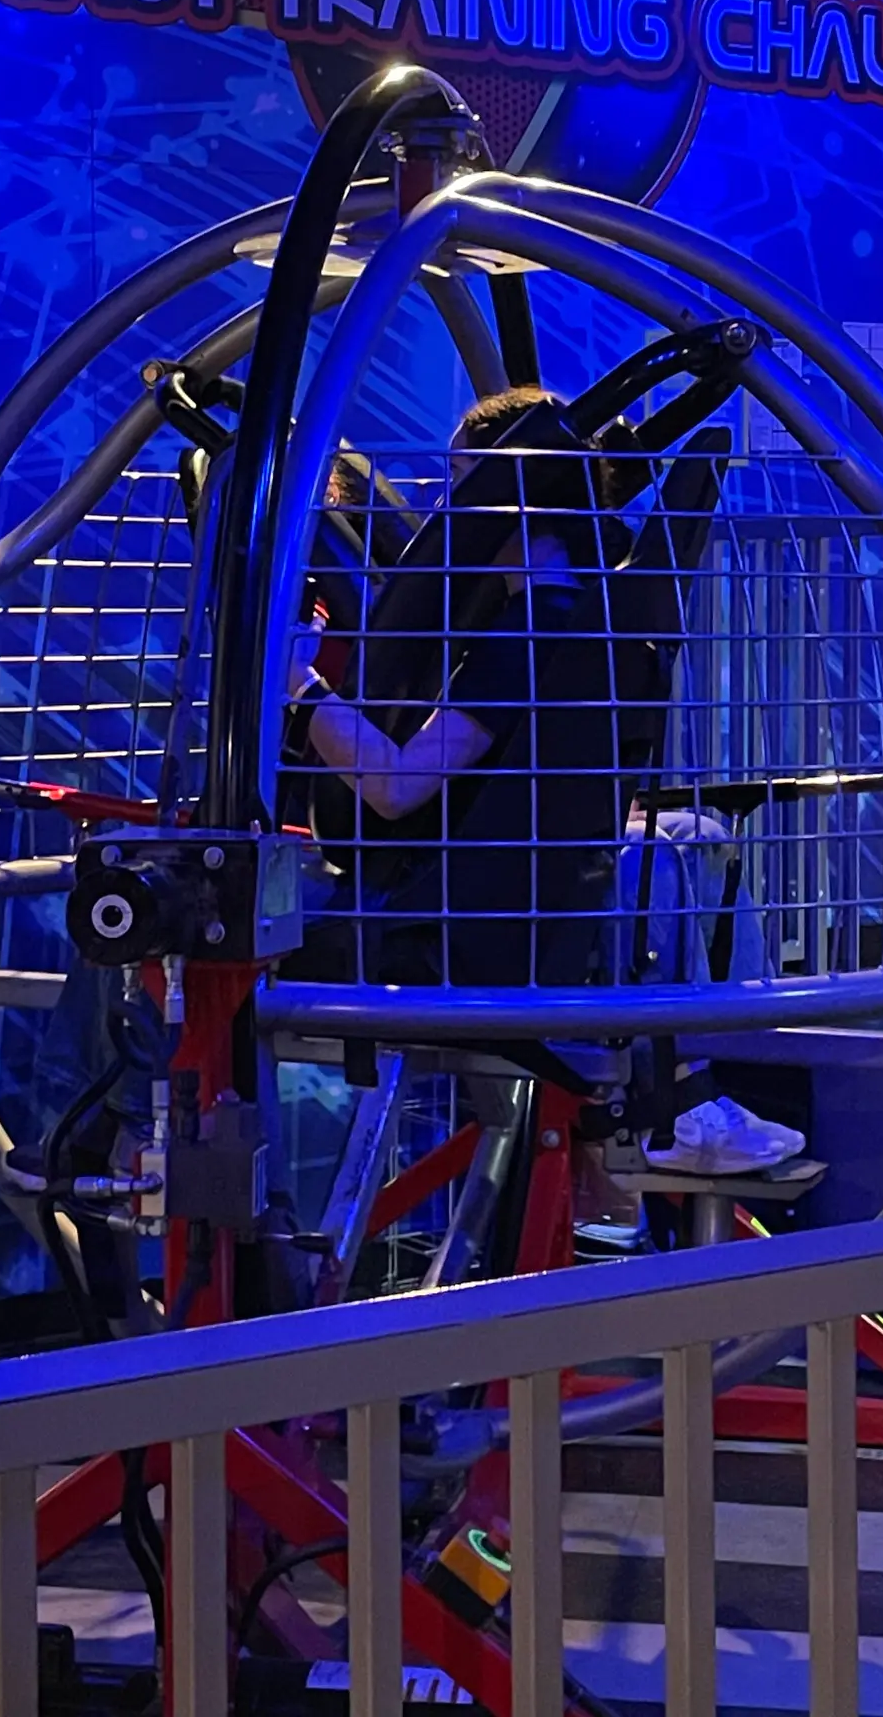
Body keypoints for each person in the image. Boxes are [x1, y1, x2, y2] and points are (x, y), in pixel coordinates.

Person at [287, 386, 803, 1179]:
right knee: (685, 840)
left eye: (464, 485)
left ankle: (678, 1102)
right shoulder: (585, 614)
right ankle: (680, 1102)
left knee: (675, 847)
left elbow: (394, 787)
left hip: (451, 919)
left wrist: (301, 686)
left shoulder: (522, 637)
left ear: (513, 494)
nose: (448, 510)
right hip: (513, 886)